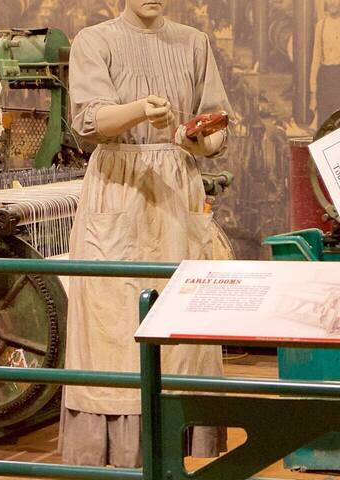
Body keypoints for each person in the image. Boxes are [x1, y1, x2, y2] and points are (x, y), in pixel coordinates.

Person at [62, 0, 233, 468]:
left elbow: (216, 127)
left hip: (177, 189)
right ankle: (118, 456)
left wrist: (195, 137)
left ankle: (178, 448)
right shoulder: (95, 41)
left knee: (183, 328)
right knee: (113, 332)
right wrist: (140, 111)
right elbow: (89, 121)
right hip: (119, 189)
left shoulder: (193, 43)